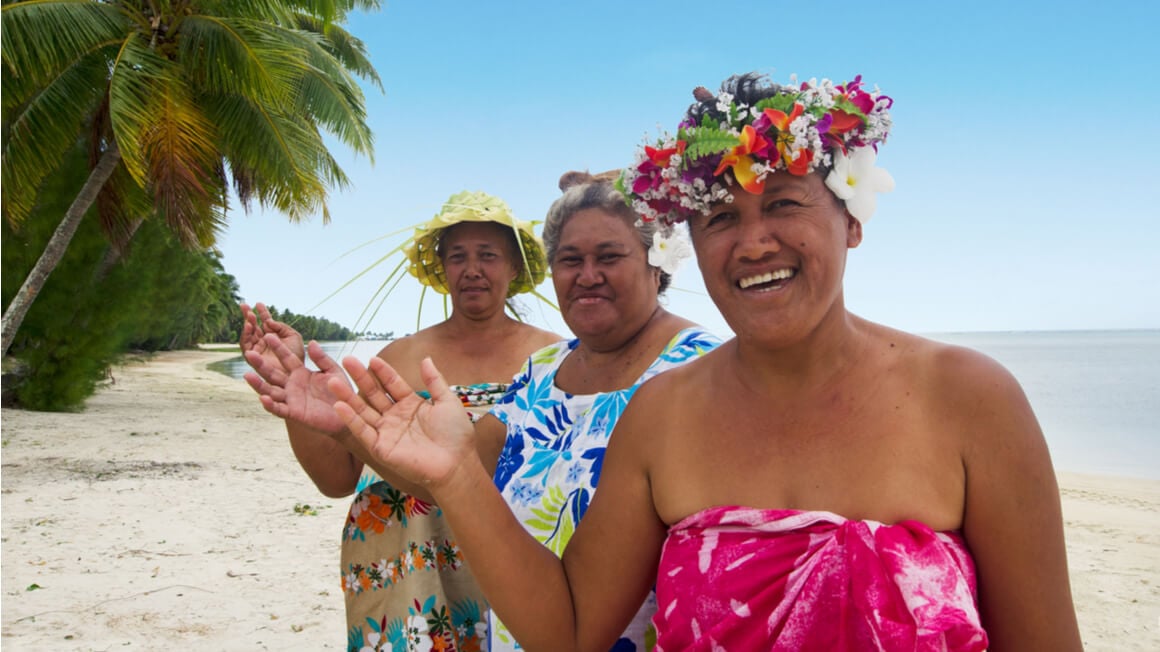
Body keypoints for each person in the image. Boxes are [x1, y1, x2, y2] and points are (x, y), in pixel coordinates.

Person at [329, 72, 1084, 651]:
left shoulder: (968, 401)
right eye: (721, 216)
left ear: (850, 219)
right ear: (690, 242)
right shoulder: (665, 415)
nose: (753, 242)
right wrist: (458, 477)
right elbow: (567, 629)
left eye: (785, 203)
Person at [248, 174, 723, 651]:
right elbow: (461, 476)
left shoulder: (704, 369)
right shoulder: (544, 370)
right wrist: (346, 428)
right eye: (570, 259)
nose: (587, 274)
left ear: (657, 261)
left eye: (610, 256)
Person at [240, 190, 561, 651]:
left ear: (514, 267)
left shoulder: (551, 357)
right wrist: (297, 392)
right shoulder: (400, 358)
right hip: (405, 572)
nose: (472, 269)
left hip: (511, 558)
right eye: (458, 256)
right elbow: (337, 479)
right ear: (442, 268)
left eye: (488, 255)